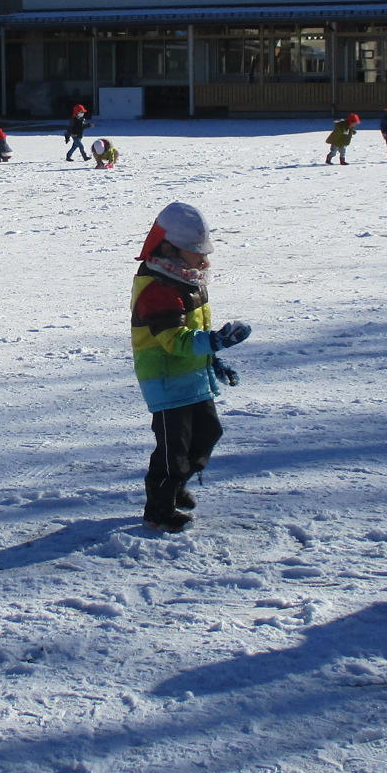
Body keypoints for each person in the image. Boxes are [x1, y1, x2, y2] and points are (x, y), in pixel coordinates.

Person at [131, 202, 251, 531]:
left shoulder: (186, 278)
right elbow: (175, 340)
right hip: (167, 379)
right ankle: (159, 506)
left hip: (192, 374)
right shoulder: (158, 288)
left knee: (209, 432)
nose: (204, 260)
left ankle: (177, 484)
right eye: (196, 252)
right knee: (174, 451)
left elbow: (193, 333)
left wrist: (213, 358)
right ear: (170, 248)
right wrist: (215, 342)